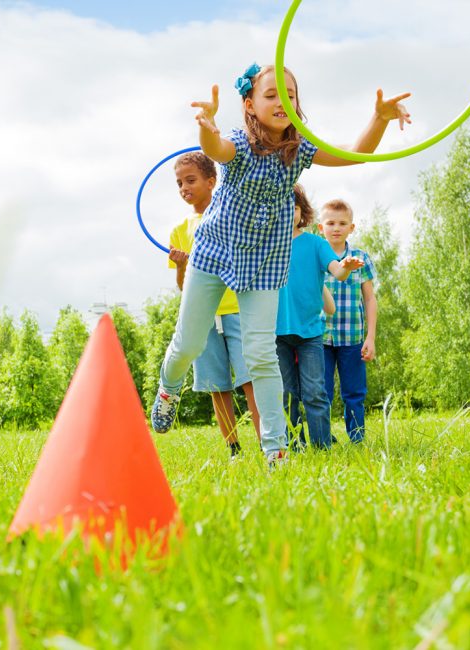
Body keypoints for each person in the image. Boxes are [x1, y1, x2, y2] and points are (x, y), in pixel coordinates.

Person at [150, 62, 411, 466]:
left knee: (261, 355)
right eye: (271, 94)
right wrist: (207, 123)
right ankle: (168, 388)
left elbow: (355, 155)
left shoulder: (299, 149)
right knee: (189, 344)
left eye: (290, 95)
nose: (283, 102)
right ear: (250, 105)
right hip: (216, 251)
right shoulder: (238, 142)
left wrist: (378, 118)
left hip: (266, 262)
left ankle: (275, 449)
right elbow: (214, 148)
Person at [166, 151, 261, 457]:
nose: (184, 187)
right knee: (215, 385)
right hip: (204, 317)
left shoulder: (228, 215)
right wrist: (182, 265)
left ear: (211, 181)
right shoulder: (180, 231)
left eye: (190, 180)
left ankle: (266, 444)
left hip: (236, 308)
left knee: (251, 379)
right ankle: (234, 448)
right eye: (179, 182)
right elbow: (184, 288)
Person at [277, 185, 362, 450]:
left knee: (315, 392)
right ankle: (293, 444)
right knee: (287, 394)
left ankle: (322, 446)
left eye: (292, 205)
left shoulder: (315, 243)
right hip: (276, 332)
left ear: (301, 211)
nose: (286, 211)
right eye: (279, 205)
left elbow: (337, 272)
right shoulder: (268, 245)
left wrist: (345, 267)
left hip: (311, 332)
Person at [320, 199, 379, 443]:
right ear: (320, 227)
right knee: (319, 392)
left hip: (353, 337)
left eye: (342, 223)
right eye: (330, 223)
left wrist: (370, 337)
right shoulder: (317, 254)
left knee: (354, 392)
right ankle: (322, 438)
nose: (336, 228)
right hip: (319, 337)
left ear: (351, 228)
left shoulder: (360, 257)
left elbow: (370, 299)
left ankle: (356, 438)